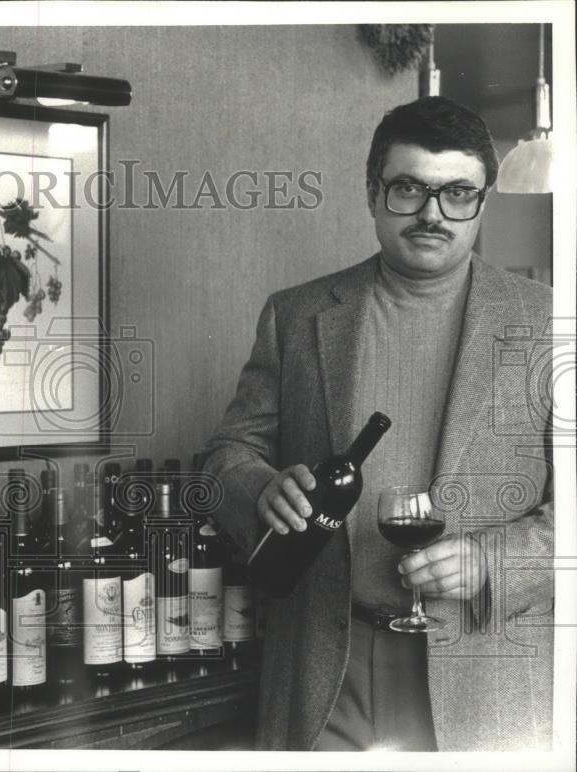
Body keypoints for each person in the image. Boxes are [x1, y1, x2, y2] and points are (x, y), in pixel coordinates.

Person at [203, 96, 554, 752]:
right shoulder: (296, 314)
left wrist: (491, 564)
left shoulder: (548, 325)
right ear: (373, 193)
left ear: (483, 201)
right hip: (324, 664)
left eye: (457, 193)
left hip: (484, 668)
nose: (431, 213)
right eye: (408, 188)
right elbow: (228, 452)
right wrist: (257, 487)